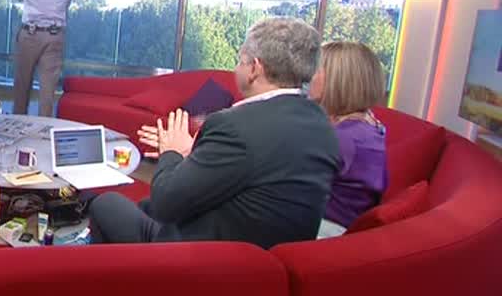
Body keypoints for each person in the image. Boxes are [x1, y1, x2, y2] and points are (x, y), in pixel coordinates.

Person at [87, 17, 340, 249]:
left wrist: (171, 152)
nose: (237, 69)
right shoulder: (321, 125)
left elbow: (166, 203)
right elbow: (256, 175)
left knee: (106, 204)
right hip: (268, 258)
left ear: (254, 69)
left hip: (210, 260)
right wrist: (194, 154)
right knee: (144, 206)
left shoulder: (234, 126)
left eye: (240, 61)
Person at [308, 41, 388, 238]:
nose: (307, 76)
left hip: (325, 230)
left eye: (315, 69)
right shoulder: (368, 125)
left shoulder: (346, 139)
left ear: (338, 81)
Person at [13, 0, 76, 118]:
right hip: (55, 34)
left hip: (31, 33)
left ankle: (17, 125)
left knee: (22, 86)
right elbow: (66, 3)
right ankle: (44, 130)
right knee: (47, 92)